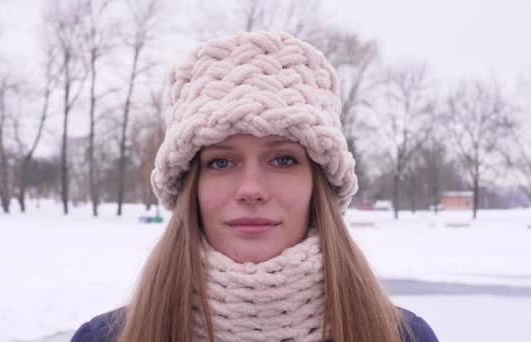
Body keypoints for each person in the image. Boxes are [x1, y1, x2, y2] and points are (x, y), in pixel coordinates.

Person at [71, 31, 438, 342]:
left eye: (282, 160)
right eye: (221, 162)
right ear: (190, 187)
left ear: (319, 184)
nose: (251, 189)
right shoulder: (105, 337)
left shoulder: (403, 336)